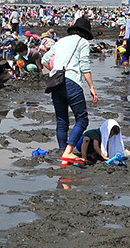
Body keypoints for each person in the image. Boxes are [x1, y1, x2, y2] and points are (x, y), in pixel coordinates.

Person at [42, 17, 98, 167]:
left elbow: (44, 59)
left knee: (62, 120)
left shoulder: (60, 41)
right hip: (72, 82)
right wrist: (91, 86)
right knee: (82, 119)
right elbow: (84, 66)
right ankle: (69, 151)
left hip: (56, 83)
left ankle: (64, 155)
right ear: (85, 33)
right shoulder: (83, 43)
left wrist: (54, 72)